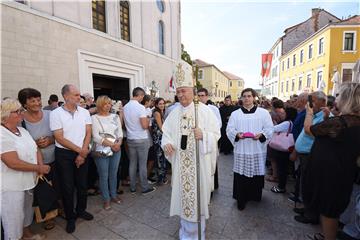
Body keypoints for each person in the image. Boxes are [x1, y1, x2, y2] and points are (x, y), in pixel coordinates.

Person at [161, 60, 220, 239]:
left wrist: (204, 135)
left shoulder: (205, 111)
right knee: (184, 201)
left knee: (198, 202)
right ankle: (185, 233)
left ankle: (198, 234)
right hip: (181, 165)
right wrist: (167, 144)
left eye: (183, 91)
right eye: (178, 92)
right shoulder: (173, 113)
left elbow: (216, 134)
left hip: (199, 164)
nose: (180, 95)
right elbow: (166, 134)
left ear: (192, 91)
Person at [303, 83, 360, 240]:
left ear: (348, 99)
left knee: (328, 213)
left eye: (340, 95)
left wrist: (309, 113)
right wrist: (328, 118)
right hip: (342, 174)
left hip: (330, 176)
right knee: (331, 211)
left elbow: (309, 129)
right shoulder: (349, 122)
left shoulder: (340, 122)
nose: (336, 98)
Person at [1, 98, 50, 240]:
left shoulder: (22, 130)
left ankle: (26, 234)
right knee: (13, 218)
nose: (21, 113)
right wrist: (39, 167)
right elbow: (13, 163)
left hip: (28, 181)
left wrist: (39, 167)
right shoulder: (2, 134)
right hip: (11, 186)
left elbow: (36, 149)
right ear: (6, 115)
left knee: (26, 211)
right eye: (17, 111)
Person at [50, 84, 93, 233]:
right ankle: (70, 217)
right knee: (67, 187)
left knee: (82, 184)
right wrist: (80, 152)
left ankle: (81, 210)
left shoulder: (84, 112)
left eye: (79, 95)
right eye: (76, 95)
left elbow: (88, 132)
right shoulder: (56, 113)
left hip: (82, 151)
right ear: (66, 96)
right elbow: (59, 137)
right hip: (64, 155)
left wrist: (82, 153)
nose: (79, 97)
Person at [226, 88, 274, 210]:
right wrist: (237, 134)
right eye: (244, 96)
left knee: (255, 173)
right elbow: (230, 129)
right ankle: (241, 199)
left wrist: (262, 135)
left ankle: (254, 195)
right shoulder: (235, 114)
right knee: (241, 174)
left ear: (254, 98)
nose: (246, 98)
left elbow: (269, 128)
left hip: (257, 149)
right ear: (241, 98)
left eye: (249, 96)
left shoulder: (263, 113)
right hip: (242, 149)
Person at [18, 88, 57, 231]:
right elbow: (18, 140)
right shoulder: (20, 119)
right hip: (34, 161)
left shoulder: (50, 114)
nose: (37, 103)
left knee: (55, 186)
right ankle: (46, 217)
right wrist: (35, 143)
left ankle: (56, 210)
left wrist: (50, 140)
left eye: (38, 99)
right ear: (24, 104)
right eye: (32, 100)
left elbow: (59, 133)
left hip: (54, 157)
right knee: (41, 189)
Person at [293, 91, 328, 225]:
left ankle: (311, 215)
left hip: (311, 155)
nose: (309, 104)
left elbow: (311, 131)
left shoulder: (324, 117)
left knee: (310, 185)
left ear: (322, 102)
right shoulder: (314, 114)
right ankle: (307, 208)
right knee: (305, 183)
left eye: (312, 101)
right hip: (305, 155)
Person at [92, 96, 123, 210]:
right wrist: (112, 145)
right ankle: (106, 199)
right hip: (102, 151)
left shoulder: (115, 116)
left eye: (110, 103)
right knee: (103, 175)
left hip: (116, 149)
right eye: (106, 104)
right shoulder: (94, 118)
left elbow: (120, 133)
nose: (109, 106)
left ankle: (114, 195)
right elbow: (95, 136)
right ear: (100, 105)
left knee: (113, 174)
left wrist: (118, 144)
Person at [123, 87, 156, 195]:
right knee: (142, 164)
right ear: (140, 95)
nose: (142, 98)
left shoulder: (125, 107)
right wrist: (147, 119)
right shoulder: (140, 107)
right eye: (142, 96)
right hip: (141, 138)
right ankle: (144, 187)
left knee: (132, 163)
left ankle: (132, 187)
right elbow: (144, 126)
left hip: (130, 138)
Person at [197, 88, 222, 191]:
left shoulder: (213, 109)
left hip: (209, 140)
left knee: (211, 162)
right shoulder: (194, 109)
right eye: (198, 95)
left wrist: (206, 133)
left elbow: (218, 124)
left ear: (207, 97)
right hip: (198, 141)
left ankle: (213, 185)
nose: (200, 97)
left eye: (202, 95)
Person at [269, 107, 298, 194]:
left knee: (282, 168)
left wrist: (272, 123)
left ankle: (281, 187)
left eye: (284, 112)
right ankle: (281, 186)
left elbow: (273, 128)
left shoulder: (286, 123)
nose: (283, 114)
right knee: (283, 168)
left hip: (283, 149)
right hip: (287, 148)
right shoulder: (291, 122)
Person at [151, 97, 169, 185]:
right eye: (160, 104)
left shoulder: (161, 112)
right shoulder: (157, 113)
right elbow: (161, 127)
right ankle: (160, 179)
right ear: (156, 105)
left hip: (160, 137)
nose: (162, 105)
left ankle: (162, 177)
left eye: (163, 103)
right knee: (159, 158)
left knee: (161, 157)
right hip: (158, 138)